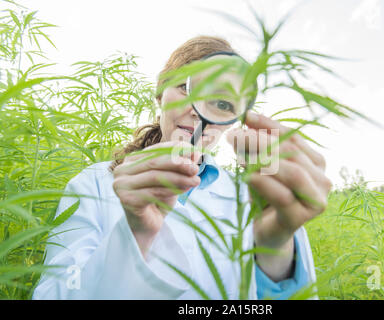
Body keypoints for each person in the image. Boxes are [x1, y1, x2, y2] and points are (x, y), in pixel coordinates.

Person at [32, 36, 332, 300]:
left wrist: (274, 246)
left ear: (235, 119)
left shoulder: (254, 198)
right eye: (185, 88)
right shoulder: (93, 184)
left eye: (223, 103)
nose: (197, 109)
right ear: (161, 94)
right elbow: (54, 294)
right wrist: (135, 236)